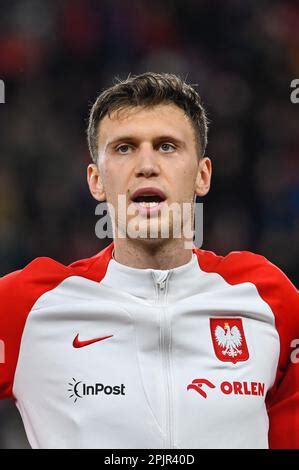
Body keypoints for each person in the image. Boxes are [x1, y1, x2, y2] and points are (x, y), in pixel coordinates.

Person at [0, 72, 298, 449]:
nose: (146, 165)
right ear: (96, 181)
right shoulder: (29, 306)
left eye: (167, 146)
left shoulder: (268, 298)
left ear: (202, 175)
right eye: (124, 148)